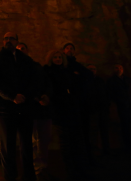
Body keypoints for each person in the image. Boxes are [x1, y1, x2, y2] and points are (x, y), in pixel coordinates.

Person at [0, 32, 38, 181]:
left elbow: (32, 81)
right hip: (5, 109)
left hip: (24, 108)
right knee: (8, 147)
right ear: (3, 41)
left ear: (17, 41)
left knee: (26, 145)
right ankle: (10, 177)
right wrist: (12, 97)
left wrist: (24, 96)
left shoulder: (26, 60)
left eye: (11, 38)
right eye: (6, 38)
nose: (8, 40)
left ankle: (29, 176)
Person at [43, 50, 90, 180]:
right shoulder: (48, 71)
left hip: (71, 108)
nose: (57, 59)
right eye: (55, 57)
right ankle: (70, 169)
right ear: (51, 59)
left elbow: (85, 76)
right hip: (59, 108)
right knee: (65, 140)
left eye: (59, 57)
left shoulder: (66, 70)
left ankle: (78, 168)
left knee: (75, 139)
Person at [16, 43, 52, 177]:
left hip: (40, 108)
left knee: (43, 139)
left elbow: (46, 82)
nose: (20, 50)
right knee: (31, 141)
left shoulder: (36, 66)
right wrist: (35, 97)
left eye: (22, 48)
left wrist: (46, 95)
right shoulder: (14, 68)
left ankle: (42, 167)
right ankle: (36, 169)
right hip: (27, 108)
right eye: (17, 49)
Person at [62, 43, 94, 162]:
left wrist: (78, 76)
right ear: (63, 51)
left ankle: (85, 157)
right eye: (67, 48)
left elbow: (89, 75)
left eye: (71, 48)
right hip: (70, 103)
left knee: (83, 130)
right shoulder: (63, 65)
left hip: (80, 102)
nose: (69, 50)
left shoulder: (76, 65)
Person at [107, 64, 131, 151]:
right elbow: (110, 94)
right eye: (117, 67)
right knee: (126, 128)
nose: (119, 69)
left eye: (120, 68)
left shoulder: (128, 79)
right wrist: (119, 102)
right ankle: (129, 147)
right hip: (123, 107)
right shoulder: (111, 81)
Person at [86, 64, 110, 156]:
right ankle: (93, 149)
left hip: (102, 109)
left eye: (94, 69)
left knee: (104, 130)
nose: (92, 70)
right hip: (91, 110)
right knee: (92, 130)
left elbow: (105, 93)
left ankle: (106, 149)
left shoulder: (100, 80)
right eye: (90, 69)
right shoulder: (85, 80)